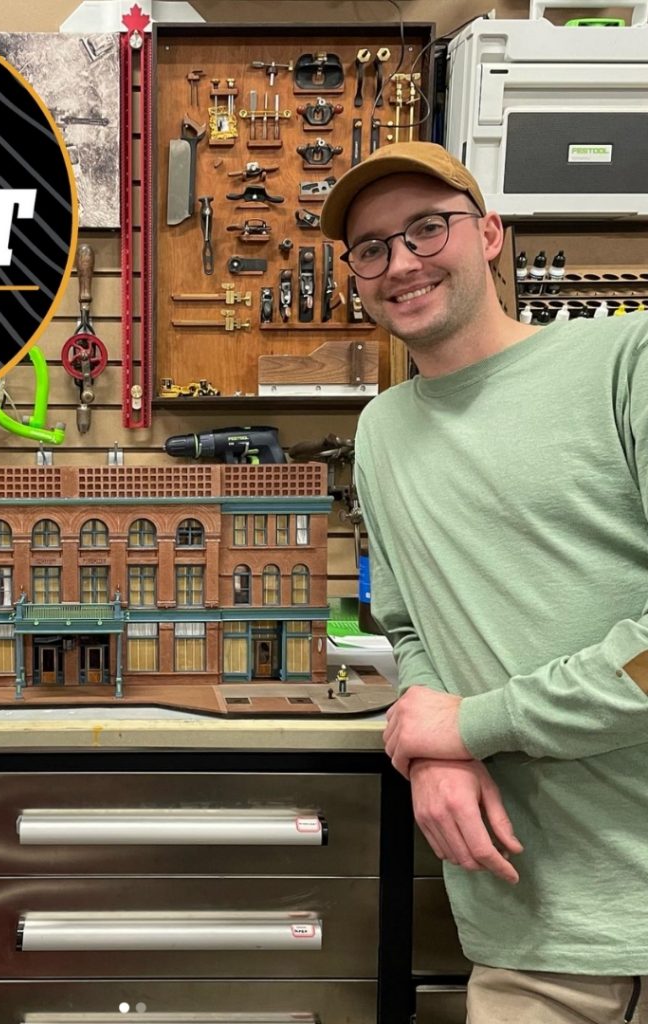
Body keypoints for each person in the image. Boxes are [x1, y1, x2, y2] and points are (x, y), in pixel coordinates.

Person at [319, 141, 648, 1023]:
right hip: (527, 928)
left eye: (429, 228)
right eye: (372, 248)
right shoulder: (380, 432)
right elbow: (406, 623)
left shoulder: (626, 361)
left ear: (492, 233)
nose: (403, 263)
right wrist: (428, 745)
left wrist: (472, 724)